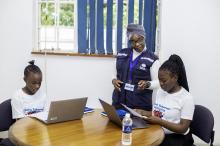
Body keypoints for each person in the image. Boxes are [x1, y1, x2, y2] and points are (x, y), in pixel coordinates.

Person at [135, 54, 194, 146]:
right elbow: (159, 113)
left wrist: (159, 121)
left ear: (175, 78)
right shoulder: (161, 91)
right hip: (158, 131)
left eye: (164, 81)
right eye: (159, 80)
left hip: (177, 137)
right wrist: (142, 112)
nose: (161, 84)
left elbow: (183, 128)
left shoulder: (186, 98)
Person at [112, 24, 160, 111]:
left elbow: (158, 82)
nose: (137, 44)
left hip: (140, 105)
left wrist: (148, 84)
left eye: (139, 40)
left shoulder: (152, 59)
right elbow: (114, 74)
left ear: (144, 37)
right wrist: (113, 80)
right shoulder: (121, 54)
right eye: (133, 41)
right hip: (119, 102)